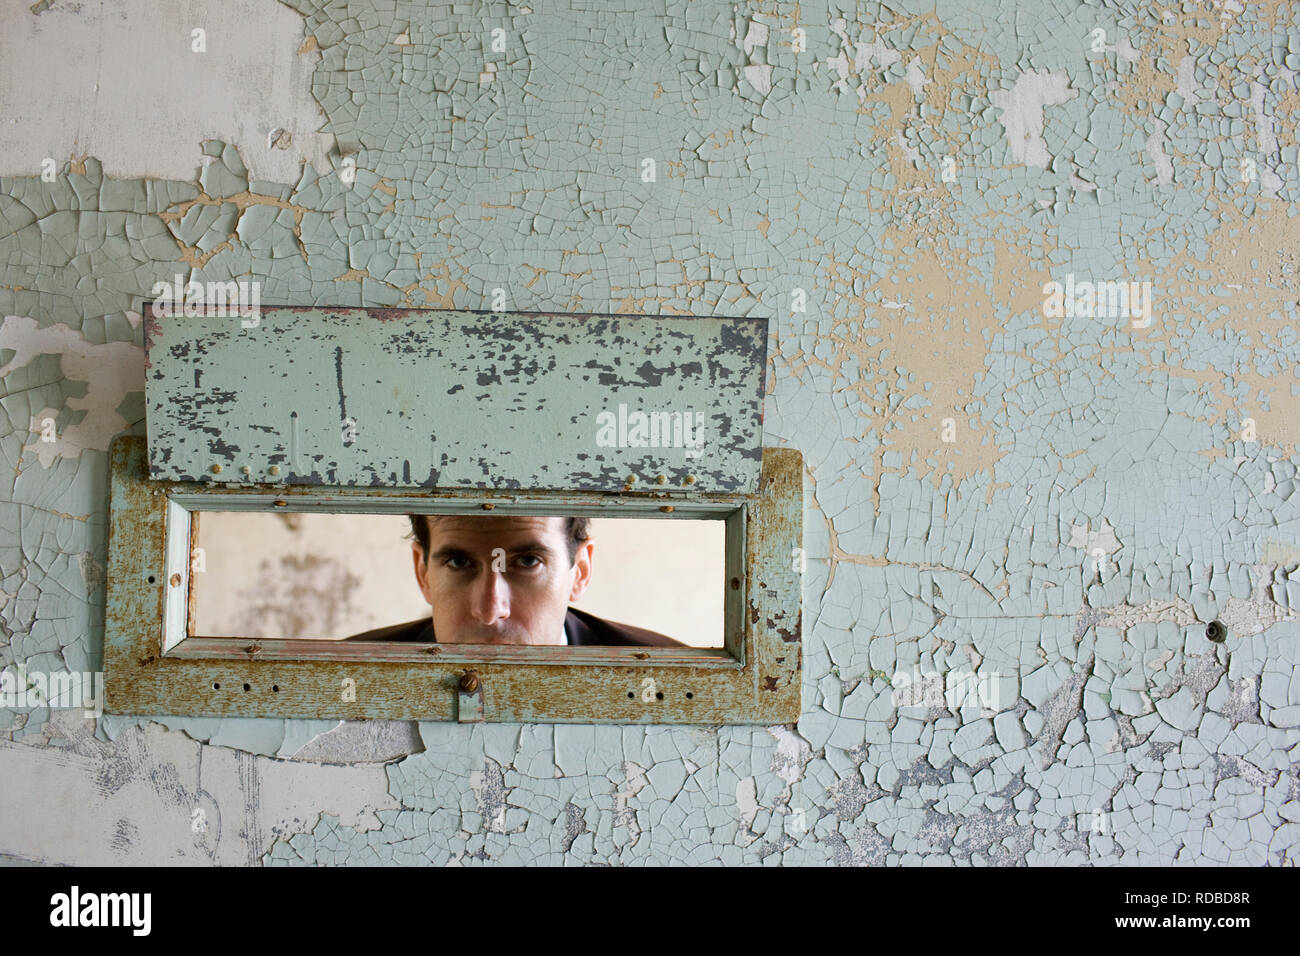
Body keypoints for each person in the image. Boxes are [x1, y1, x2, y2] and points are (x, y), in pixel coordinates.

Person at [344, 514, 683, 646]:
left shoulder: (676, 677)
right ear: (423, 573)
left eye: (527, 561)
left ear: (580, 570)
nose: (491, 610)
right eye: (459, 562)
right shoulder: (341, 676)